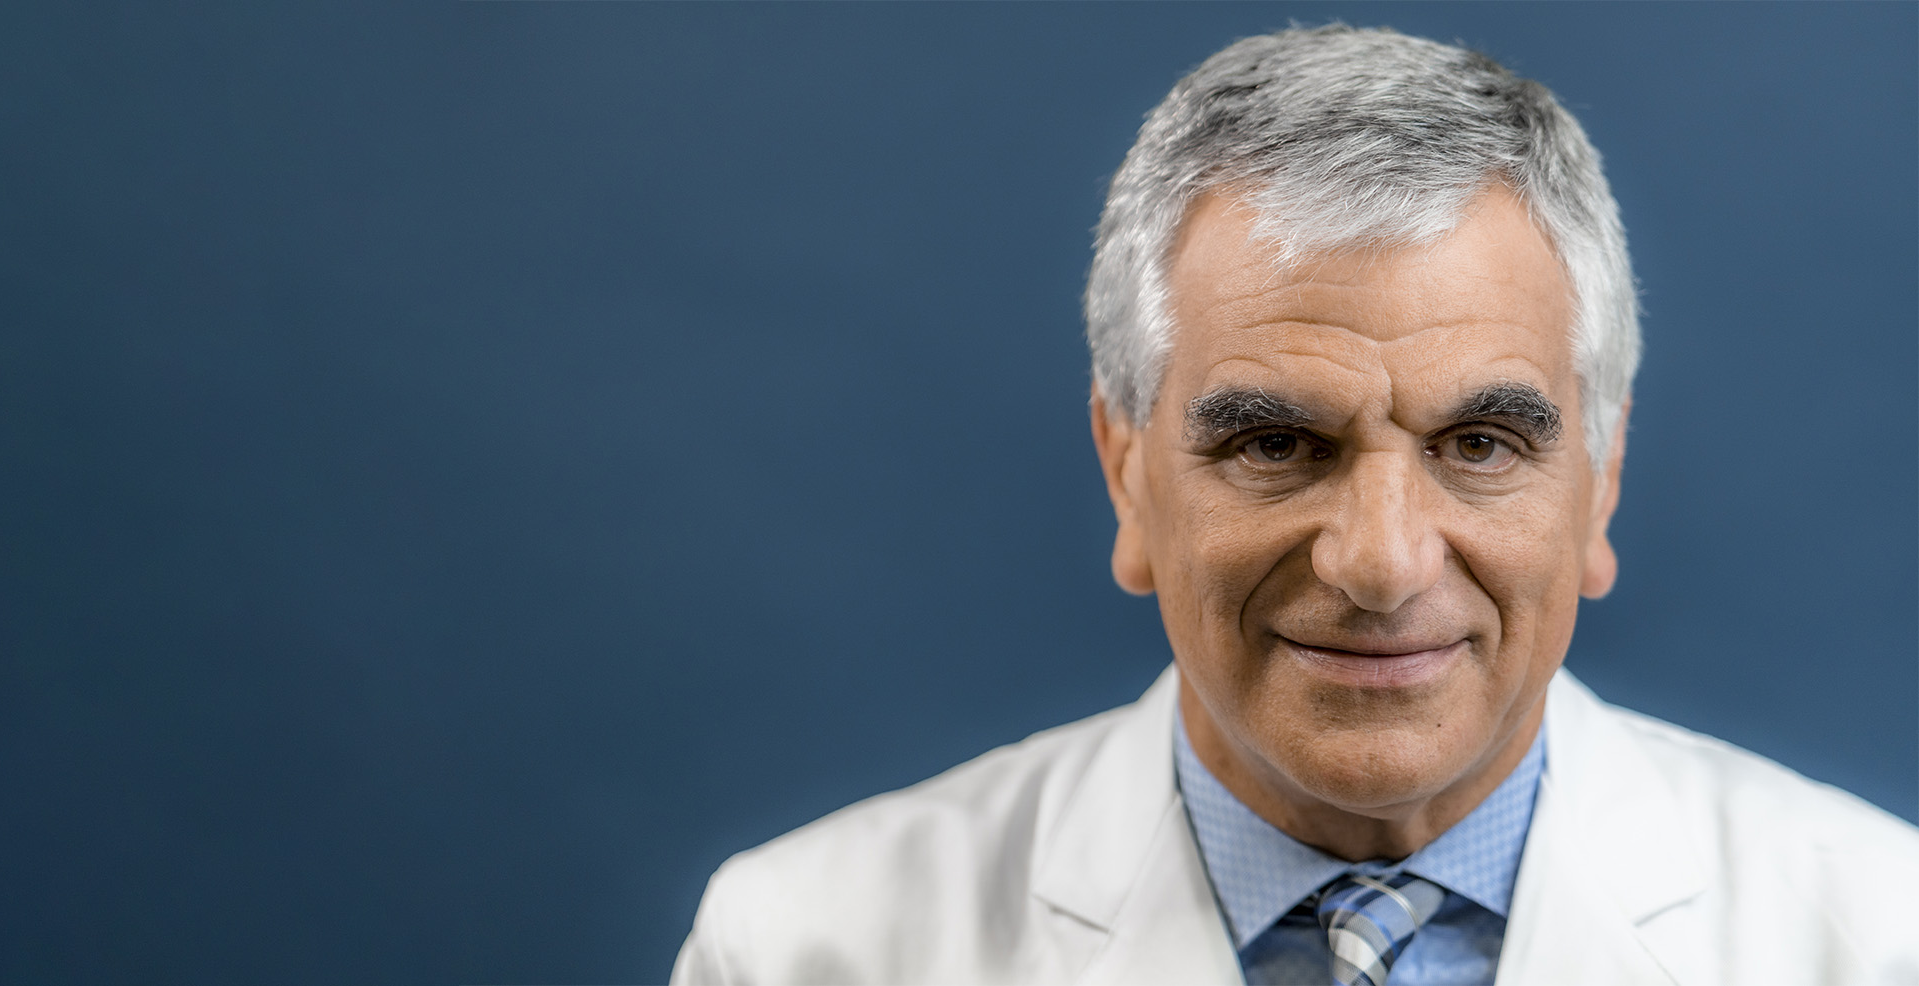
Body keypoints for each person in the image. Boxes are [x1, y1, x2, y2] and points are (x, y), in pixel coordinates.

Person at [671, 25, 1919, 986]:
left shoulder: (1874, 935)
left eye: (1479, 442)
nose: (1379, 561)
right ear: (1126, 471)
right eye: (1276, 441)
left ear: (1599, 478)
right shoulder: (805, 946)